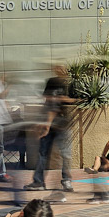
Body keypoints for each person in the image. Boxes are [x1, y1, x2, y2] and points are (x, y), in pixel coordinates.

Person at [25, 65, 74, 200]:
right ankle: (38, 181)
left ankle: (66, 180)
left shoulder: (71, 84)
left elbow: (77, 100)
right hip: (49, 123)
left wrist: (62, 99)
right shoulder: (52, 81)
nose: (60, 70)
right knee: (43, 153)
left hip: (63, 124)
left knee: (66, 154)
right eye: (58, 68)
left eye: (63, 68)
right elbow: (47, 100)